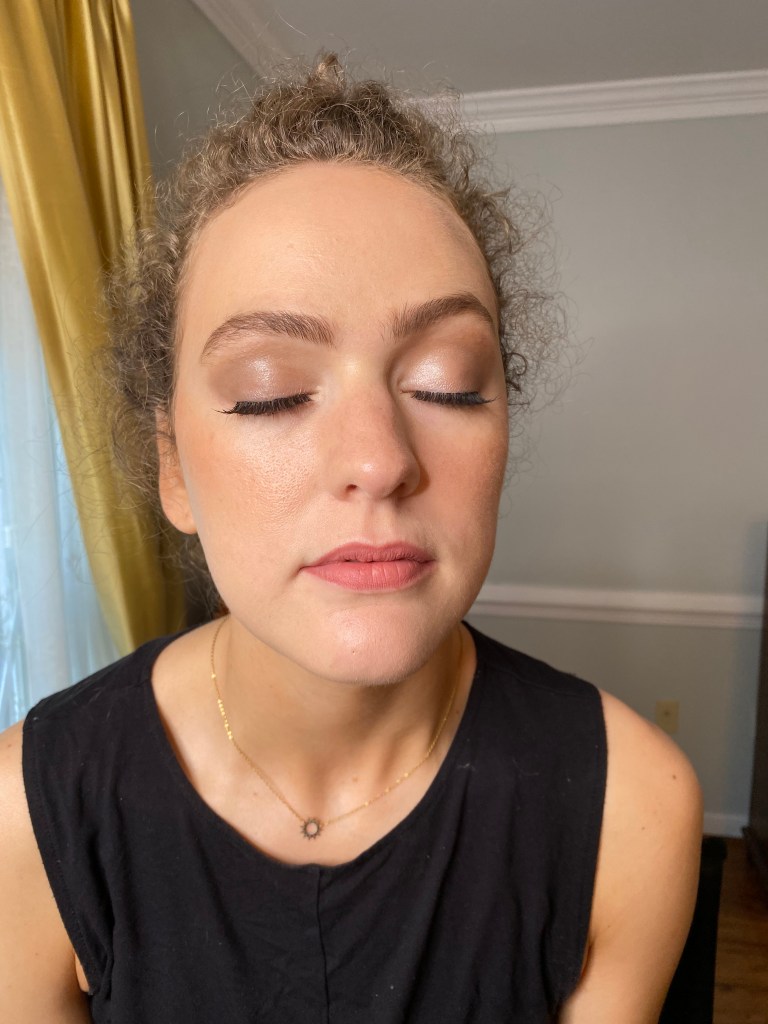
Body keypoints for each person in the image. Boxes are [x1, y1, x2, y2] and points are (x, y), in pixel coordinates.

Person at [0, 55, 702, 1023]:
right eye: (273, 392)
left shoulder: (634, 805)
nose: (379, 460)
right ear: (173, 467)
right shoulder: (27, 819)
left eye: (448, 383)